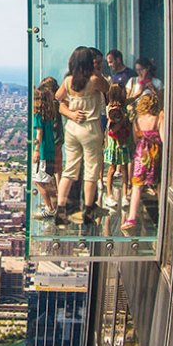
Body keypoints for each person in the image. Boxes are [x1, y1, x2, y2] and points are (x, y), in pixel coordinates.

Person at [55, 47, 110, 226]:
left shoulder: (68, 80)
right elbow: (107, 88)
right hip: (90, 128)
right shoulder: (94, 80)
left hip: (72, 128)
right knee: (91, 171)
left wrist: (71, 109)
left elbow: (58, 96)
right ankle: (88, 210)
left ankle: (60, 209)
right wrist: (94, 72)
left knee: (70, 169)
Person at [123, 92, 164, 231]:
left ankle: (131, 218)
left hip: (141, 154)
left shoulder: (137, 121)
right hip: (155, 153)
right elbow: (163, 138)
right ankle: (162, 214)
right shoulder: (158, 118)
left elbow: (135, 140)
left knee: (137, 185)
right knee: (159, 184)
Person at [102, 84, 132, 208]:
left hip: (123, 141)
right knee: (112, 169)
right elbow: (112, 129)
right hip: (114, 143)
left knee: (124, 168)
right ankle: (109, 195)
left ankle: (125, 195)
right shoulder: (111, 109)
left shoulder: (123, 108)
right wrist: (122, 121)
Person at [32, 83, 59, 216]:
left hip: (42, 153)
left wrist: (36, 150)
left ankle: (50, 208)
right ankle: (54, 205)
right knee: (47, 180)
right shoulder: (48, 115)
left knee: (38, 181)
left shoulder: (37, 116)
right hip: (50, 151)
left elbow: (39, 134)